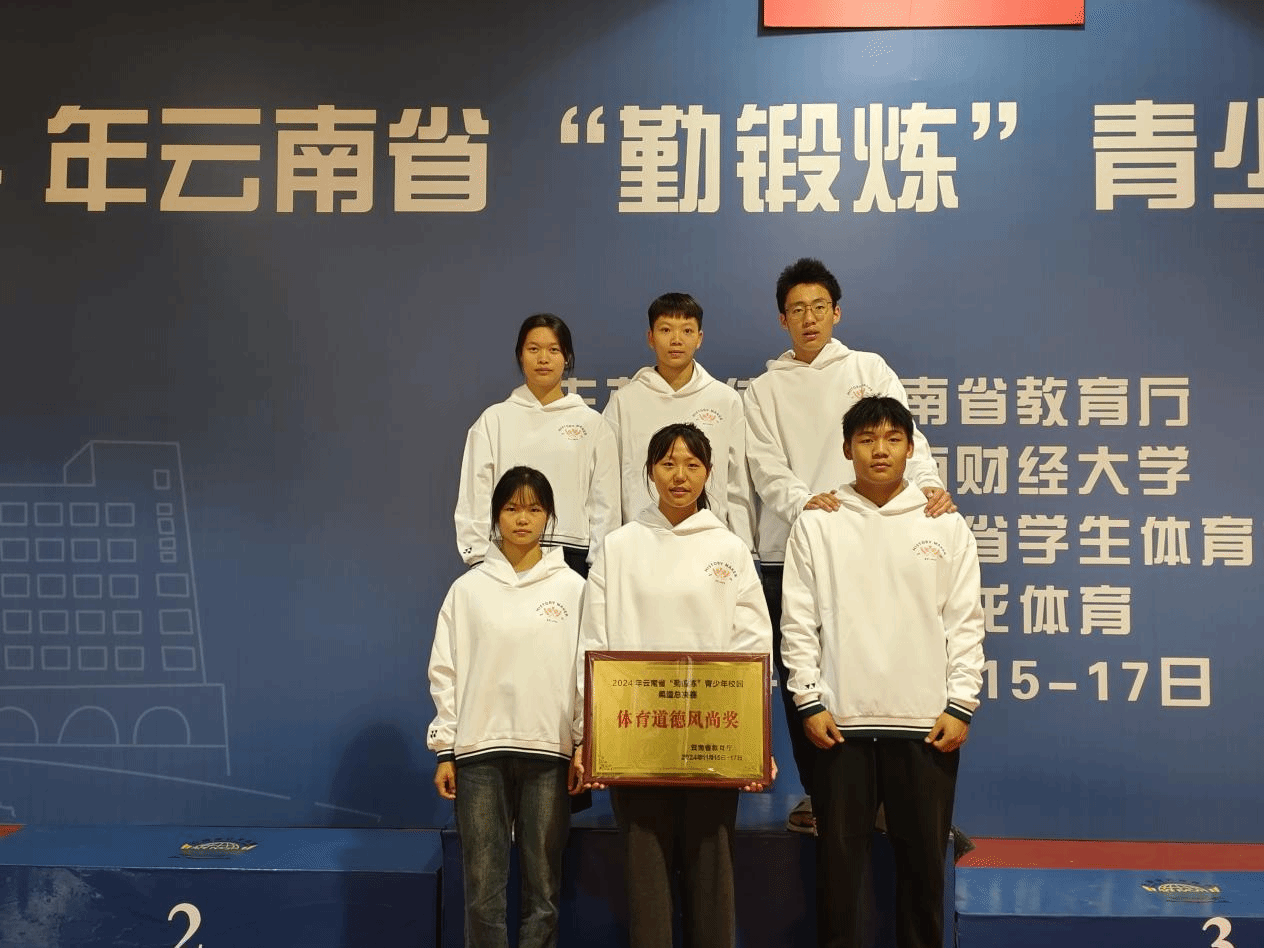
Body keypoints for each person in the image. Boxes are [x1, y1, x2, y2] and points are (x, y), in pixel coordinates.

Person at [742, 257, 956, 835]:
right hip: (797, 545)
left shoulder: (868, 367)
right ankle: (820, 795)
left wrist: (929, 488)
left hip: (876, 541)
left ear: (836, 312)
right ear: (782, 320)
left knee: (878, 660)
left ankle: (886, 798)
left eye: (819, 307)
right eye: (797, 310)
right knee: (806, 675)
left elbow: (906, 436)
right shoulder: (763, 390)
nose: (809, 319)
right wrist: (806, 505)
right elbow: (765, 465)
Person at [780, 397, 984, 948]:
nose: (880, 450)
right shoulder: (818, 523)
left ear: (911, 449)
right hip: (840, 724)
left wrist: (961, 704)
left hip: (926, 725)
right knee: (838, 872)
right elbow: (798, 622)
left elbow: (965, 622)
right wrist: (809, 701)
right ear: (847, 449)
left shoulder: (943, 523)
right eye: (867, 439)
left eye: (893, 438)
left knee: (923, 873)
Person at [569, 423, 774, 948]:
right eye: (667, 464)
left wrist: (754, 738)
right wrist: (587, 735)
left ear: (708, 473)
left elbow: (753, 648)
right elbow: (594, 642)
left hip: (712, 739)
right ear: (649, 472)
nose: (679, 476)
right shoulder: (618, 547)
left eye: (692, 465)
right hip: (635, 738)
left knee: (712, 877)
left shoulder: (729, 549)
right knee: (646, 880)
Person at [428, 466, 586, 948]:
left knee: (544, 892)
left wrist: (583, 741)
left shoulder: (574, 589)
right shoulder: (468, 590)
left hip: (549, 751)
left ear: (549, 516)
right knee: (482, 893)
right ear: (496, 515)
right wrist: (445, 748)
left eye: (534, 509)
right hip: (479, 754)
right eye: (512, 508)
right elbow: (445, 671)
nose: (522, 519)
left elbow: (587, 673)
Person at [455, 313, 619, 576]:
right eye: (534, 349)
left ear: (567, 358)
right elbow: (475, 494)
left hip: (572, 558)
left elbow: (605, 505)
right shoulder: (494, 420)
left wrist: (600, 566)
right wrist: (477, 558)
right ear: (520, 355)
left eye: (554, 350)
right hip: (505, 557)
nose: (543, 358)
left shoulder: (592, 424)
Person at [602, 292, 755, 550]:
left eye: (686, 330)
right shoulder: (624, 402)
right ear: (651, 338)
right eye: (665, 330)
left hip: (710, 543)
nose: (676, 340)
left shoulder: (725, 399)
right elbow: (607, 485)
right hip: (643, 542)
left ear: (699, 338)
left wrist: (744, 548)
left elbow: (738, 485)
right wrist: (609, 548)